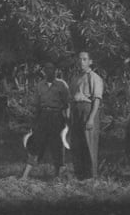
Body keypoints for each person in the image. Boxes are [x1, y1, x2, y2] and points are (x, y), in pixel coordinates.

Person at [20, 62, 69, 180]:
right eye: (47, 69)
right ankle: (25, 175)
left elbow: (67, 104)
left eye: (52, 69)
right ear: (44, 71)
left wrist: (67, 121)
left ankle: (58, 175)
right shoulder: (40, 85)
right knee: (36, 144)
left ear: (56, 71)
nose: (49, 71)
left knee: (57, 145)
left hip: (57, 117)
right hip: (43, 116)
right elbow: (36, 105)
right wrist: (34, 122)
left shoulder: (62, 85)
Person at [69, 50, 104, 180]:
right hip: (76, 111)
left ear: (90, 62)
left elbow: (97, 100)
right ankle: (80, 176)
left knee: (89, 143)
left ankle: (91, 177)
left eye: (84, 59)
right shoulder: (75, 78)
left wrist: (91, 119)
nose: (81, 62)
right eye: (79, 59)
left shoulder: (94, 77)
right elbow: (72, 97)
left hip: (88, 110)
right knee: (77, 143)